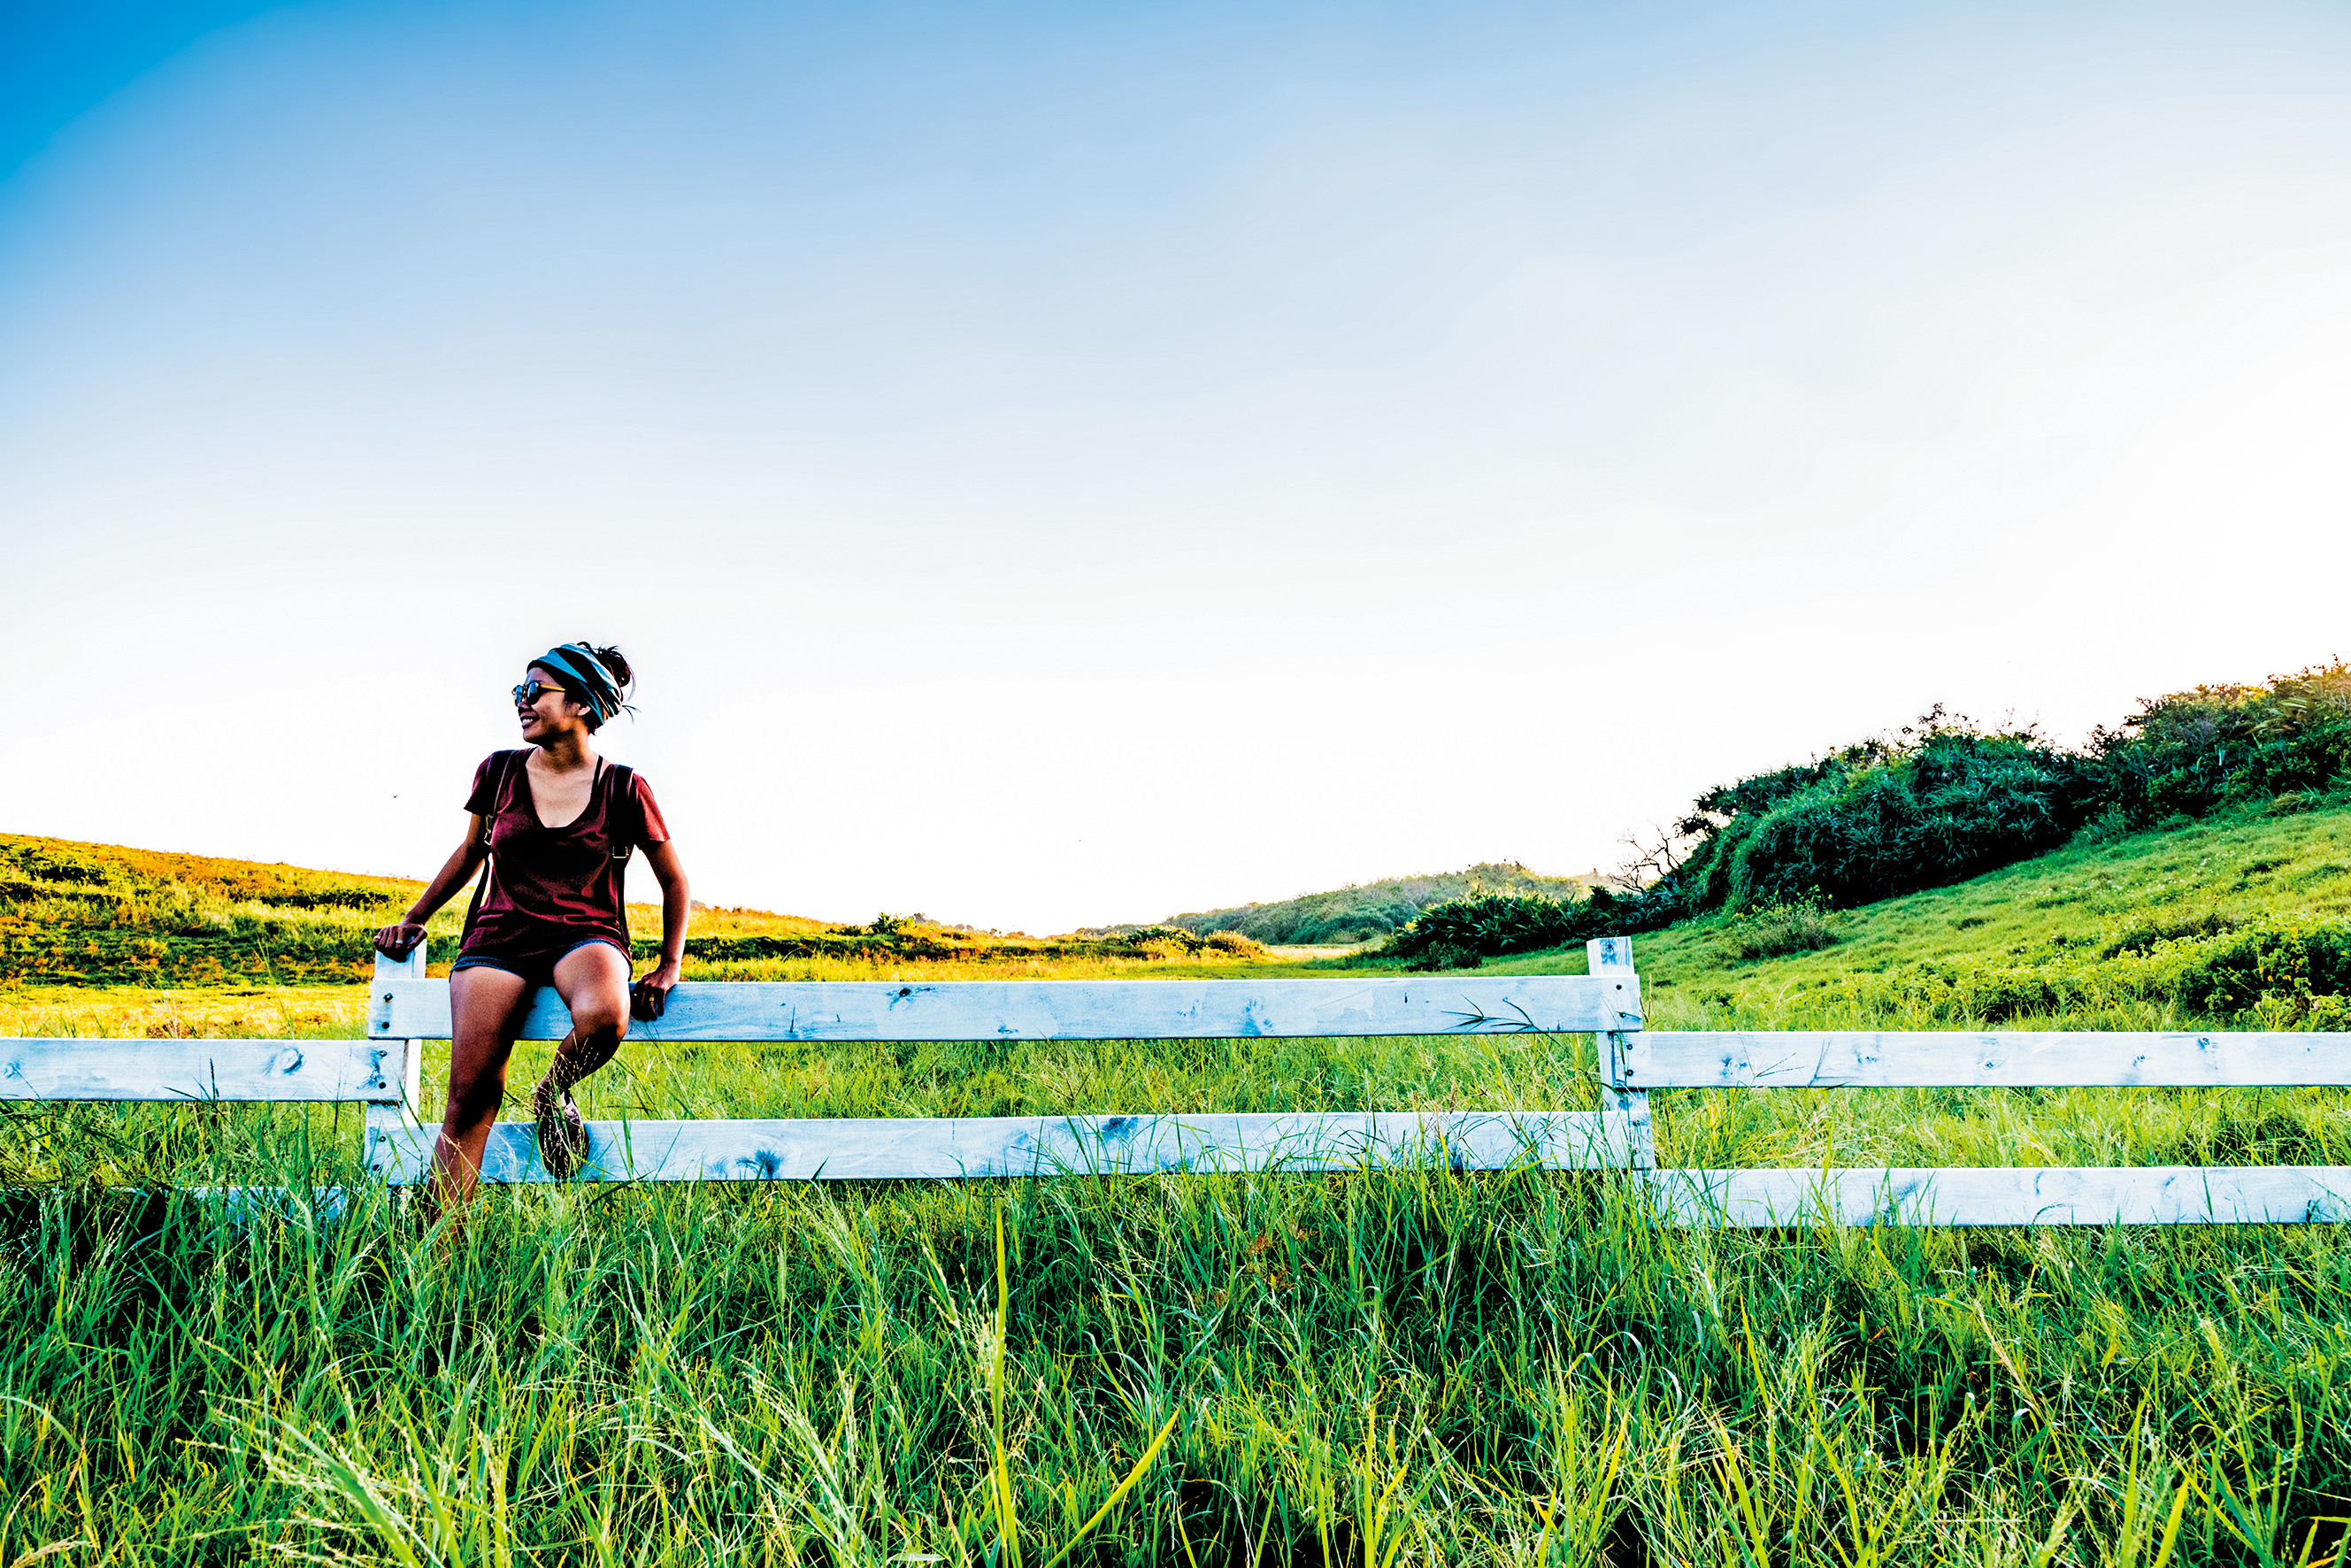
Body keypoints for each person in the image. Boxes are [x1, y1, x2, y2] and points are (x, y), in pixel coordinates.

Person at [372, 642, 689, 1204]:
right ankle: (441, 1241)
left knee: (605, 1016)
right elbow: (471, 852)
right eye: (519, 690)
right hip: (498, 938)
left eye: (535, 691)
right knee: (471, 1098)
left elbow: (674, 880)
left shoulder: (624, 788)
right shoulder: (498, 772)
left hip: (586, 935)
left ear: (582, 705)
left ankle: (552, 1092)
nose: (521, 700)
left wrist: (669, 964)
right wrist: (414, 918)